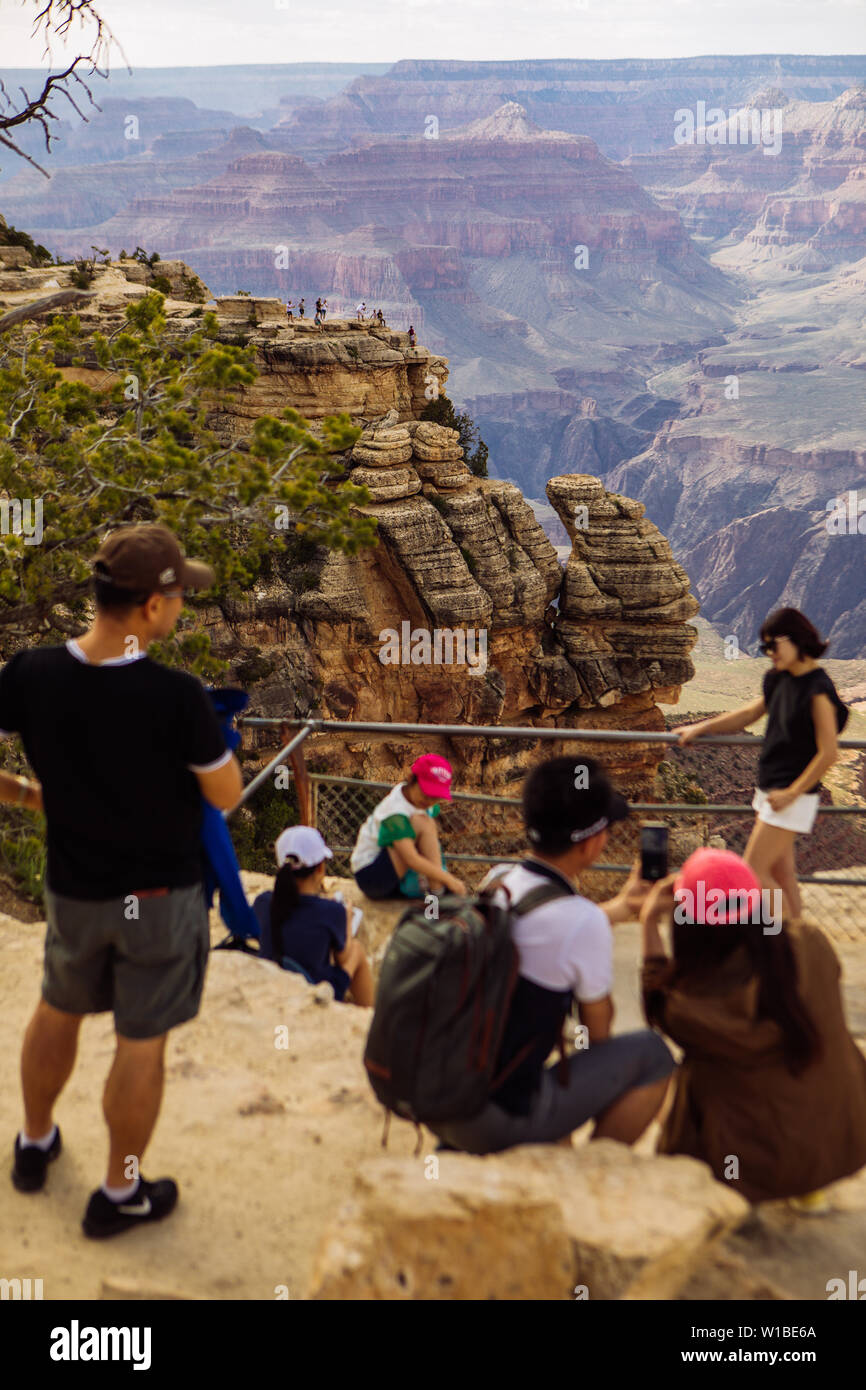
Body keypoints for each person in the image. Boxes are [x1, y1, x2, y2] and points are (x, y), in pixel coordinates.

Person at [1, 524, 243, 1237]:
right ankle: (118, 1192)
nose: (182, 610)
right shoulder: (176, 698)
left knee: (58, 1006)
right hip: (159, 898)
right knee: (141, 1041)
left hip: (75, 890)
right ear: (148, 607)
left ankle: (36, 1140)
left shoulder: (32, 674)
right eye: (177, 598)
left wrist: (22, 792)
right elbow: (225, 797)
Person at [428, 756, 675, 1156]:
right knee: (653, 1054)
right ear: (593, 841)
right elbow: (599, 1037)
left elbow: (546, 926)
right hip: (495, 1118)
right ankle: (590, 1167)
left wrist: (624, 907)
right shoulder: (581, 924)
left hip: (444, 1095)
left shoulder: (499, 880)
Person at [640, 848, 866, 1208]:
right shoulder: (812, 943)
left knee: (694, 1073)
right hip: (840, 1142)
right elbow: (777, 938)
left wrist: (649, 920)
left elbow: (654, 1000)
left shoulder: (689, 1007)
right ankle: (808, 1189)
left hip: (759, 1168)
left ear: (688, 926)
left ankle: (720, 1190)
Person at [676, 608, 848, 920]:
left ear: (796, 639)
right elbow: (749, 714)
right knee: (782, 876)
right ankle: (798, 942)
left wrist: (792, 794)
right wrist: (701, 728)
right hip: (771, 789)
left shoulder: (818, 690)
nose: (769, 654)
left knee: (753, 872)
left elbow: (828, 753)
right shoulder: (778, 679)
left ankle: (782, 943)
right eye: (763, 648)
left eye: (773, 646)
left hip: (791, 795)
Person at [251, 826, 373, 1006]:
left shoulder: (263, 902)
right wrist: (346, 922)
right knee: (355, 950)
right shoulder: (332, 911)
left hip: (272, 984)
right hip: (313, 991)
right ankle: (368, 1015)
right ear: (320, 868)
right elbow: (343, 957)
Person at [350, 754, 466, 900]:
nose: (430, 801)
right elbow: (411, 859)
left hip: (392, 876)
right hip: (371, 878)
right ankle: (437, 894)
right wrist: (449, 879)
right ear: (412, 779)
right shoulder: (394, 812)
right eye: (426, 793)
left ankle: (436, 892)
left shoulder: (410, 795)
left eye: (436, 796)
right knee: (424, 823)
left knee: (424, 823)